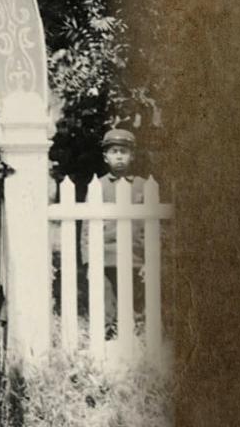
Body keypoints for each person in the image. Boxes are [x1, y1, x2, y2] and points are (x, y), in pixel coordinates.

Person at [79, 128, 147, 335]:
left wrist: (147, 259)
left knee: (134, 301)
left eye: (124, 152)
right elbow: (87, 228)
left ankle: (135, 335)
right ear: (106, 157)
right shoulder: (97, 187)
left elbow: (150, 226)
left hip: (134, 256)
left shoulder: (142, 186)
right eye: (114, 151)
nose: (119, 156)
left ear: (132, 156)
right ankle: (108, 337)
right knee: (106, 301)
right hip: (105, 256)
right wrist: (89, 260)